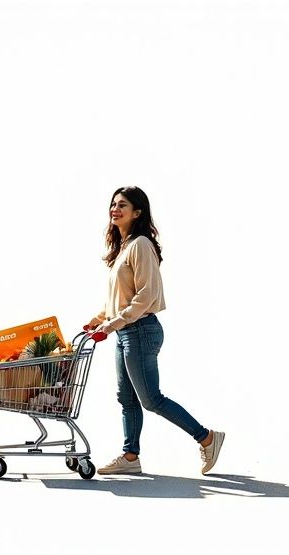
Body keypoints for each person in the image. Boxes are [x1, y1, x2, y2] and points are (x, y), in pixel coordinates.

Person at [86, 186, 225, 476]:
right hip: (125, 331)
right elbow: (120, 297)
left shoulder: (141, 245)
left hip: (140, 330)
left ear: (137, 212)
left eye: (122, 205)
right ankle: (130, 456)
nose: (115, 209)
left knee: (151, 399)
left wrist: (111, 324)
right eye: (113, 204)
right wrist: (99, 319)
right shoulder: (124, 247)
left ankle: (207, 438)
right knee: (127, 398)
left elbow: (146, 295)